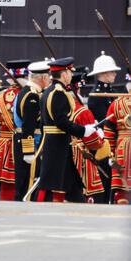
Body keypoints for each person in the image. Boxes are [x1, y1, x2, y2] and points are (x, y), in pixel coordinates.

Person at [36, 57, 100, 202]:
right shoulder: (58, 93)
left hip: (56, 142)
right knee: (52, 182)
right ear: (64, 74)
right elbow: (61, 122)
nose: (71, 75)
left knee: (67, 180)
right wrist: (83, 131)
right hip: (57, 143)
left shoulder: (49, 91)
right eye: (70, 72)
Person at [0, 60, 30, 200]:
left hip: (3, 145)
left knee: (6, 185)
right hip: (25, 143)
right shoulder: (29, 95)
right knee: (25, 181)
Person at [69, 66, 110, 203]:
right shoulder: (82, 112)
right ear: (77, 89)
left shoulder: (59, 107)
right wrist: (101, 140)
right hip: (81, 156)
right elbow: (93, 142)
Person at [13, 60, 51, 201]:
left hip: (21, 140)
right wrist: (28, 151)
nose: (48, 80)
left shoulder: (26, 91)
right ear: (42, 78)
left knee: (24, 181)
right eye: (47, 77)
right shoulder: (32, 96)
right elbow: (28, 125)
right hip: (28, 143)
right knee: (27, 182)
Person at [87, 51, 122, 203]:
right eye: (112, 71)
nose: (115, 74)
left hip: (116, 141)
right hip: (104, 144)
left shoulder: (113, 93)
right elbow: (105, 122)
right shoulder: (95, 96)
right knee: (105, 178)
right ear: (103, 73)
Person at [104, 71, 131, 204]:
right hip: (123, 151)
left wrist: (111, 155)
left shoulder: (116, 104)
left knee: (121, 192)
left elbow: (108, 133)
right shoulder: (116, 104)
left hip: (122, 150)